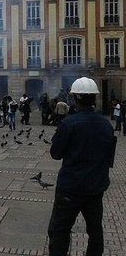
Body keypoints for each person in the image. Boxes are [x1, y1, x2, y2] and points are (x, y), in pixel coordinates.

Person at [47, 77, 115, 256]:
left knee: (59, 231)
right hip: (95, 189)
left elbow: (55, 153)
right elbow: (110, 157)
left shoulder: (69, 123)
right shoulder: (106, 125)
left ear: (75, 98)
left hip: (70, 188)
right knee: (95, 232)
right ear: (94, 98)